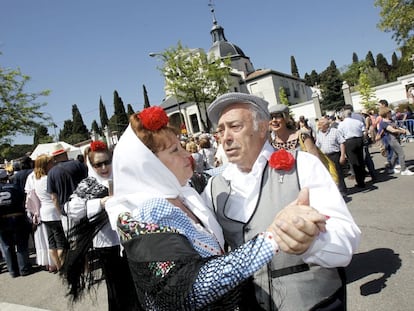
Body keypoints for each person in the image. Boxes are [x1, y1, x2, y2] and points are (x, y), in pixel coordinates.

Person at [105, 106, 328, 310]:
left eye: (182, 146)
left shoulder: (185, 194)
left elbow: (227, 172)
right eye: (174, 150)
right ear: (148, 166)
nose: (187, 155)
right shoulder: (147, 215)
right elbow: (189, 290)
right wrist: (272, 239)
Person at [203, 92, 361, 310]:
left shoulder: (303, 165)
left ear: (262, 127)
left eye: (235, 126)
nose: (225, 137)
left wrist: (312, 240)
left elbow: (346, 240)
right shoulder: (214, 188)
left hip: (314, 302)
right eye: (221, 130)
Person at [62, 141, 139, 310]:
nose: (104, 167)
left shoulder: (124, 177)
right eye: (98, 164)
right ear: (91, 164)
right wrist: (100, 203)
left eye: (107, 162)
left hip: (131, 241)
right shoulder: (88, 185)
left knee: (136, 287)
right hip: (108, 246)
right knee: (118, 289)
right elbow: (70, 209)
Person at [33, 154, 67, 271]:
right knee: (61, 242)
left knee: (52, 242)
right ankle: (65, 267)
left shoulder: (36, 180)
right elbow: (54, 196)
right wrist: (60, 212)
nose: (53, 164)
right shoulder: (49, 178)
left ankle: (59, 266)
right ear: (46, 165)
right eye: (51, 162)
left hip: (45, 213)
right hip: (54, 212)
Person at [0, 169, 32, 277]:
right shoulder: (15, 187)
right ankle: (24, 268)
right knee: (21, 244)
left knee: (7, 246)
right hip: (18, 217)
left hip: (2, 221)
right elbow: (24, 201)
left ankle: (13, 271)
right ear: (6, 178)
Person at [378, 107, 414, 176]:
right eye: (389, 112)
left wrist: (403, 130)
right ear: (385, 113)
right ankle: (404, 170)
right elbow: (392, 130)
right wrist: (401, 131)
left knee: (395, 155)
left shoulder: (391, 120)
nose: (391, 113)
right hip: (391, 139)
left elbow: (396, 127)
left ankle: (391, 168)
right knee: (401, 154)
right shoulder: (383, 122)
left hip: (396, 138)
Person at [316, 118, 348, 196]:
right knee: (328, 174)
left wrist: (342, 155)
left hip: (334, 155)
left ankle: (342, 190)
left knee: (338, 173)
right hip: (325, 156)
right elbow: (317, 145)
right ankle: (333, 190)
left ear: (325, 125)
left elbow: (342, 143)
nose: (318, 127)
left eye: (320, 125)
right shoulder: (319, 133)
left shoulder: (335, 131)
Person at [338, 109, 367, 188]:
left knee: (354, 162)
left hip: (349, 141)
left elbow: (340, 135)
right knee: (361, 160)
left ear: (344, 116)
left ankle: (360, 181)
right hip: (359, 139)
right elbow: (364, 132)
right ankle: (362, 177)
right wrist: (363, 139)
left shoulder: (341, 124)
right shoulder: (358, 122)